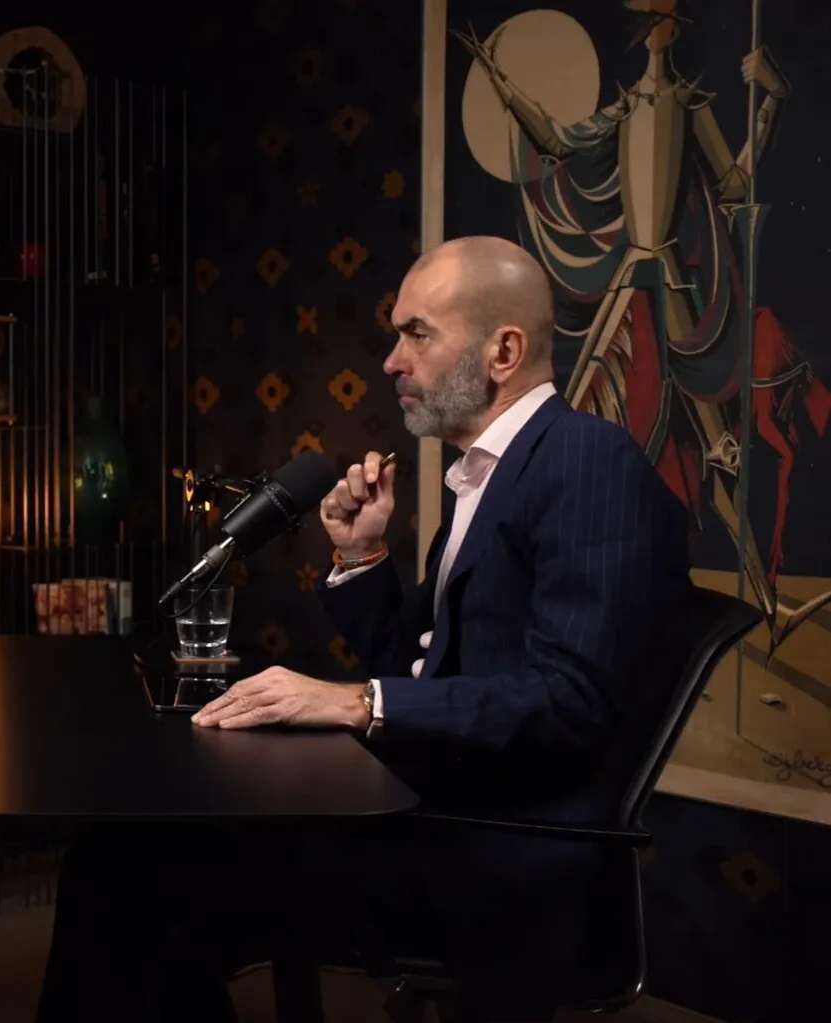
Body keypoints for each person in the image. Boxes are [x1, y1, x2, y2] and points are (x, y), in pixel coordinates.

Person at [36, 236, 693, 1023]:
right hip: (433, 810)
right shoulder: (492, 475)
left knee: (129, 866)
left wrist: (355, 702)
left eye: (416, 333)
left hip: (495, 854)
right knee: (134, 846)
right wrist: (361, 557)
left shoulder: (586, 463)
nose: (390, 360)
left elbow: (569, 700)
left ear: (503, 351)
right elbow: (422, 669)